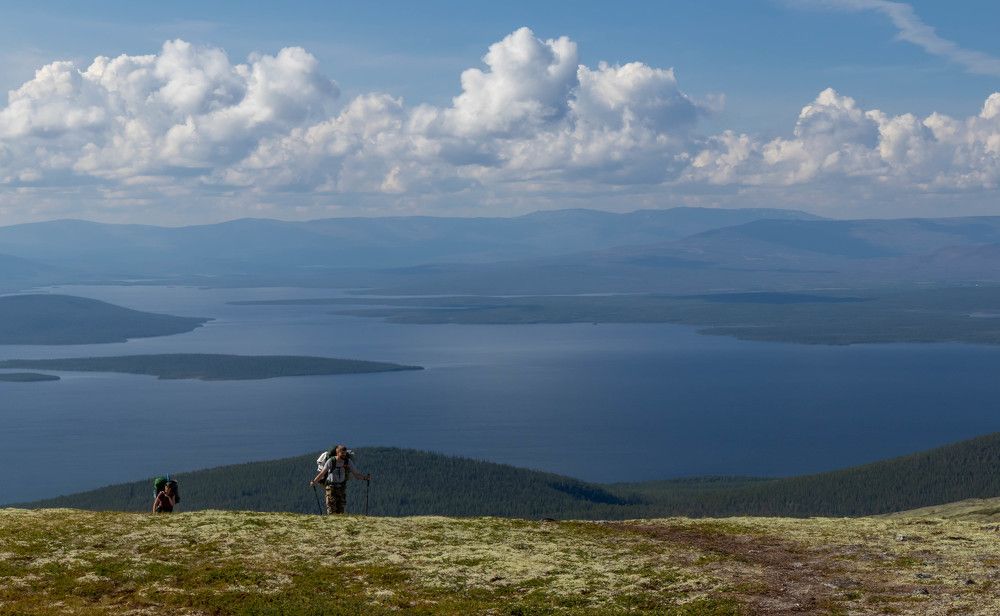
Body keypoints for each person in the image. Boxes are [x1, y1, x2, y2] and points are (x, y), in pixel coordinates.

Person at [310, 444, 370, 514]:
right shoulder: (331, 461)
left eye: (345, 453)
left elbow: (356, 474)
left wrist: (365, 478)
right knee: (331, 510)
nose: (344, 455)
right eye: (342, 453)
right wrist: (314, 481)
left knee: (341, 511)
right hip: (331, 488)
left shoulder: (348, 461)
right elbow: (322, 473)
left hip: (342, 488)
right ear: (337, 453)